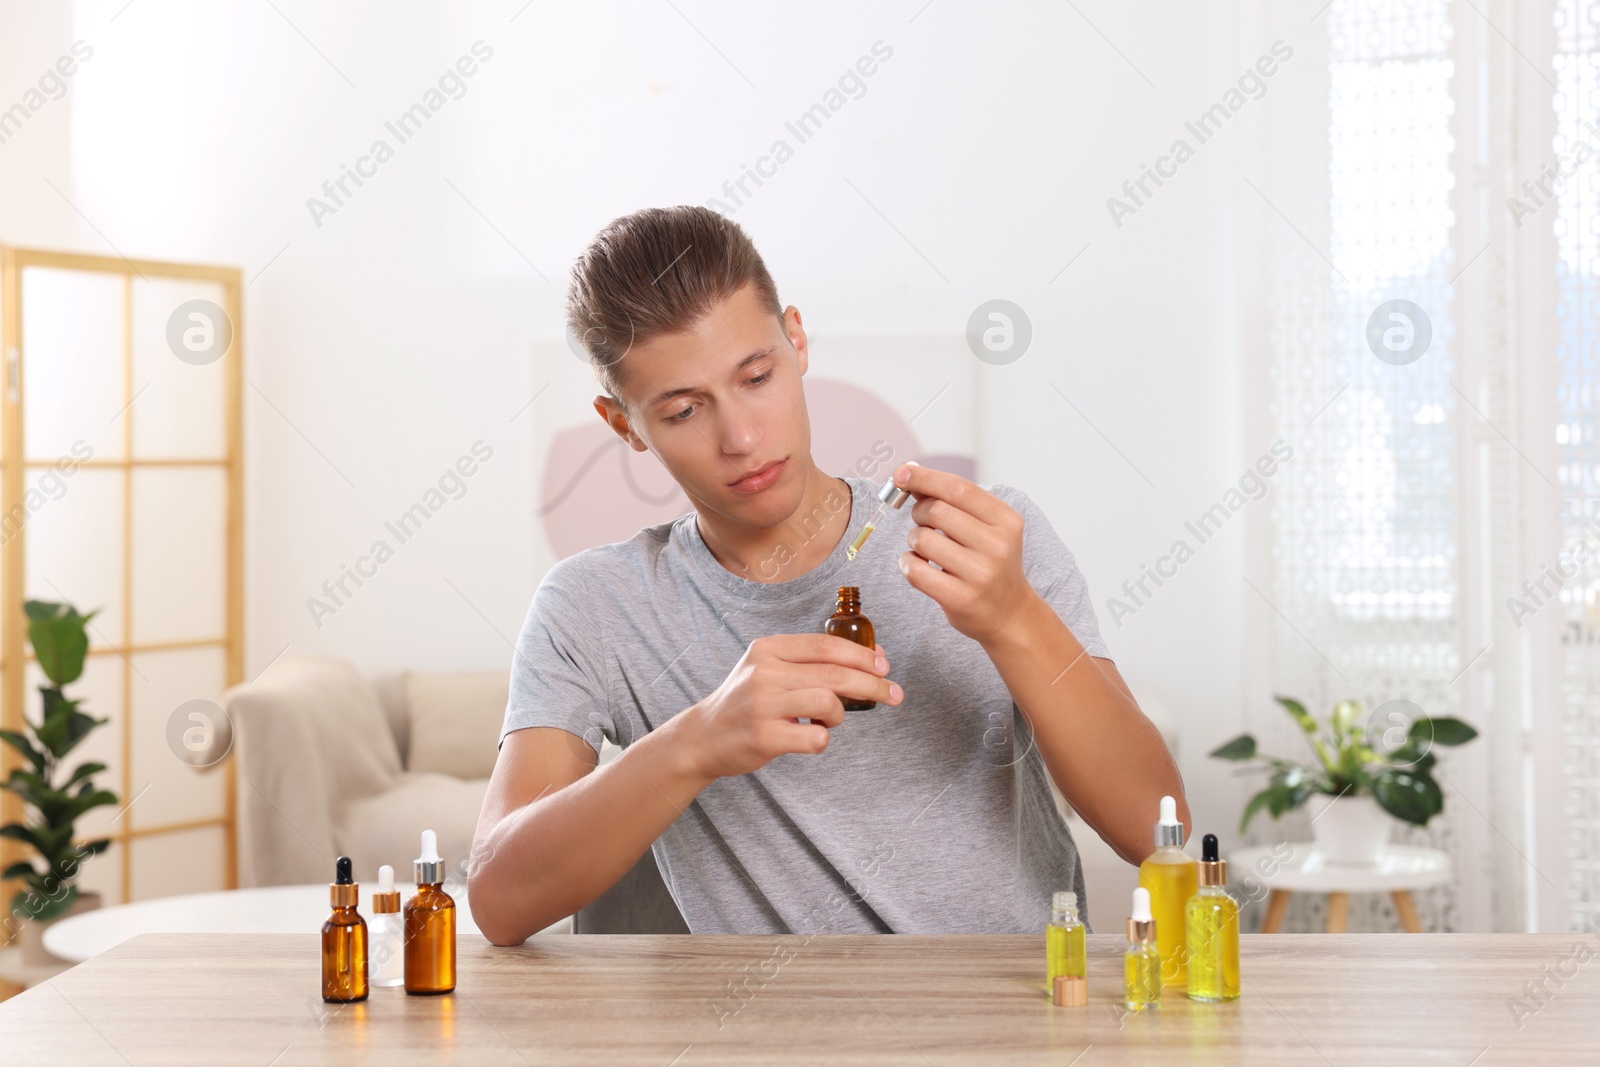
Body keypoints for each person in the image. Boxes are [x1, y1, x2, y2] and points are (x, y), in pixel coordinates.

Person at [468, 205, 1188, 943]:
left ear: (797, 341)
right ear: (623, 424)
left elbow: (1157, 828)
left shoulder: (986, 538)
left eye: (757, 375)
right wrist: (697, 742)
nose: (743, 437)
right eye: (684, 411)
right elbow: (498, 899)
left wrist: (1012, 618)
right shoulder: (597, 606)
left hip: (1015, 1023)